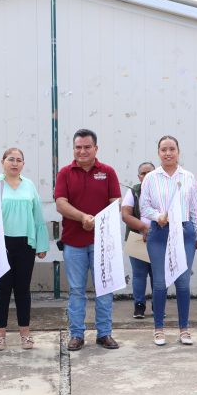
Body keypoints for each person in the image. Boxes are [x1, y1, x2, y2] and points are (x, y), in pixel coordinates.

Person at [0, 147, 49, 350]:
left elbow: (37, 216)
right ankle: (0, 333)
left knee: (23, 289)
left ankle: (25, 333)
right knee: (2, 289)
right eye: (10, 159)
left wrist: (42, 244)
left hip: (25, 243)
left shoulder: (29, 186)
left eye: (18, 160)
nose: (14, 163)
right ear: (2, 161)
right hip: (0, 244)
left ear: (23, 164)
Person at [54, 128, 122, 351]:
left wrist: (97, 221)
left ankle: (104, 333)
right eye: (78, 147)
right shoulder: (65, 173)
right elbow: (60, 203)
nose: (82, 151)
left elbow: (115, 202)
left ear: (96, 149)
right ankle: (76, 334)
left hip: (103, 243)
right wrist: (83, 217)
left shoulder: (108, 172)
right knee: (76, 290)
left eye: (86, 147)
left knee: (104, 288)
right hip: (74, 242)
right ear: (73, 149)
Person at [139, 136, 197, 346]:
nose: (168, 153)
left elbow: (195, 208)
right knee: (159, 282)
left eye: (172, 149)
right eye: (164, 149)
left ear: (178, 151)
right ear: (158, 152)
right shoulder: (150, 178)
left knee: (183, 282)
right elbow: (144, 207)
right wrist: (158, 216)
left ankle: (184, 329)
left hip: (184, 231)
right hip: (159, 232)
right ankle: (158, 329)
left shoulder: (188, 177)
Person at [121, 161, 154, 319]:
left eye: (150, 172)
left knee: (158, 274)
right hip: (136, 238)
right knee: (139, 274)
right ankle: (139, 306)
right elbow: (125, 215)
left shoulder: (162, 190)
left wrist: (154, 231)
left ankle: (158, 305)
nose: (146, 176)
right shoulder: (134, 191)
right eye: (143, 173)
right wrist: (143, 228)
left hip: (158, 238)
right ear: (139, 176)